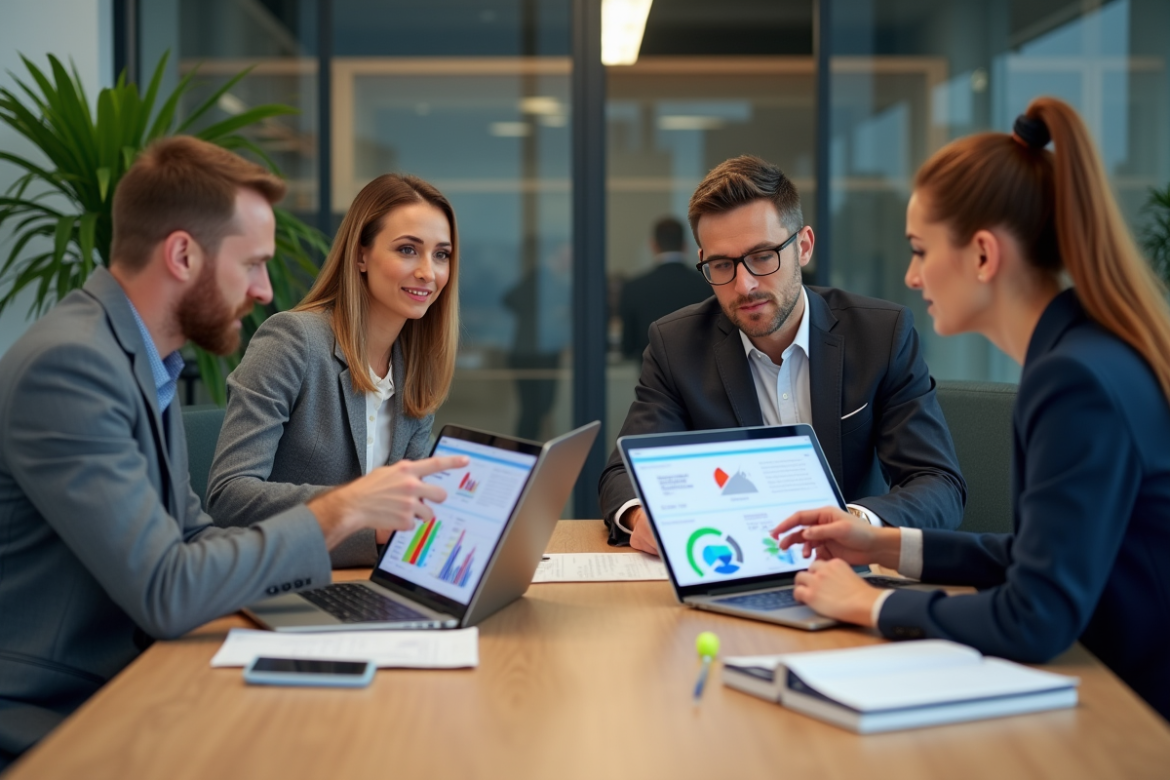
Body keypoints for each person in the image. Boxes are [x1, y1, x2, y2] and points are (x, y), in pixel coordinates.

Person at [0, 138, 467, 768]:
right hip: (59, 708)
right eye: (252, 265)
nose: (265, 290)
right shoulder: (74, 366)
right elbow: (168, 584)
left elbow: (194, 533)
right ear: (184, 255)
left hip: (140, 670)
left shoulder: (143, 361)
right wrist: (343, 513)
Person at [772, 97, 1170, 720]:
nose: (910, 276)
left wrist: (869, 605)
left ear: (983, 255)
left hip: (1134, 710)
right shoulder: (1086, 352)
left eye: (920, 249)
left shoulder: (1075, 380)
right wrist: (880, 545)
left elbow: (1035, 615)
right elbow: (1036, 557)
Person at [599, 155, 966, 553]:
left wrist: (858, 523)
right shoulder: (676, 345)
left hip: (850, 571)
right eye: (723, 264)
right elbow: (623, 473)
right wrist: (642, 516)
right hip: (733, 562)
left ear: (803, 246)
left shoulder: (881, 335)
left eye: (762, 256)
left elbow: (937, 483)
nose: (745, 285)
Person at [206, 174, 459, 567]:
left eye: (441, 254)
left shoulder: (414, 367)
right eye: (408, 250)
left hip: (367, 583)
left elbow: (408, 510)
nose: (429, 272)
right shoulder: (293, 341)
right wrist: (364, 518)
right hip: (284, 580)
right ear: (360, 255)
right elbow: (228, 497)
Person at [619, 216, 711, 361]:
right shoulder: (706, 283)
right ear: (685, 245)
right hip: (697, 375)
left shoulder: (633, 287)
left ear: (653, 245)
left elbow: (628, 347)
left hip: (650, 376)